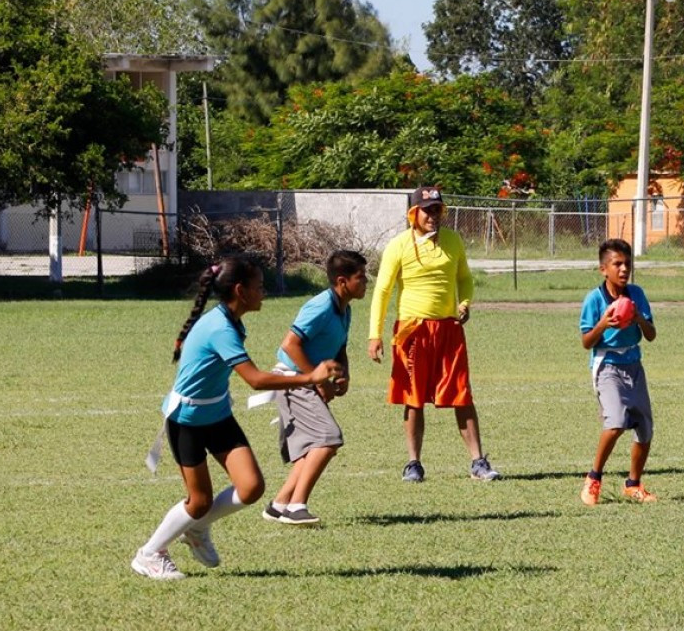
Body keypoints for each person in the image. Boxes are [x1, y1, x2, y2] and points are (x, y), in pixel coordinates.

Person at [132, 257, 338, 580]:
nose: (264, 292)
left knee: (252, 487)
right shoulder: (220, 327)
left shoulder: (232, 320)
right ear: (240, 291)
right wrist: (310, 377)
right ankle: (149, 553)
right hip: (186, 420)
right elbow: (255, 379)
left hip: (217, 415)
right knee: (198, 502)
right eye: (259, 287)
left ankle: (196, 529)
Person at [367, 186, 500, 482]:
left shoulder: (453, 241)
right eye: (427, 210)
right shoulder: (398, 245)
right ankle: (413, 464)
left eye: (437, 209)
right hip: (412, 330)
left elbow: (464, 279)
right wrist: (374, 334)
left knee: (461, 394)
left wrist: (464, 303)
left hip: (449, 330)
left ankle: (478, 462)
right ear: (413, 213)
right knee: (413, 398)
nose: (432, 215)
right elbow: (382, 291)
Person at [261, 250, 368, 526]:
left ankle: (278, 505)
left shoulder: (345, 308)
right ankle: (296, 507)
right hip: (292, 380)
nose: (366, 282)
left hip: (307, 379)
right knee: (328, 438)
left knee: (312, 448)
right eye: (361, 277)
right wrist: (318, 380)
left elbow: (340, 345)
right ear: (342, 281)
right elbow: (290, 345)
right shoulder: (319, 306)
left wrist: (343, 373)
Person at [578, 239, 658, 506]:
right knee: (615, 422)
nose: (624, 269)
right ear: (604, 269)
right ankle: (593, 478)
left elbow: (651, 335)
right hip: (607, 365)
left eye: (628, 264)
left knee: (644, 427)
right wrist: (603, 324)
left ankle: (633, 485)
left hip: (634, 365)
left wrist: (637, 318)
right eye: (617, 264)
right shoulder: (594, 299)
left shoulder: (637, 294)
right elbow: (587, 342)